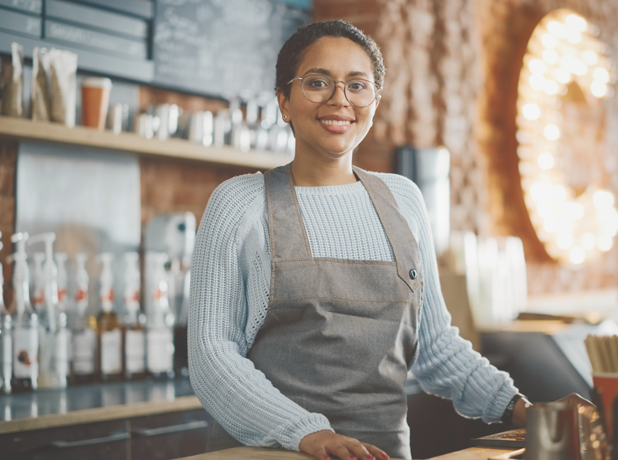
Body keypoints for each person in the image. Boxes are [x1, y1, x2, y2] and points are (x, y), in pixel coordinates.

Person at [189, 20, 587, 460]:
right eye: (318, 82)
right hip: (272, 452)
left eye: (357, 85)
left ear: (374, 103)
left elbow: (435, 347)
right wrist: (307, 434)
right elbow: (211, 356)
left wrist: (521, 410)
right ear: (284, 101)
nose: (339, 99)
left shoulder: (403, 200)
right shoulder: (240, 204)